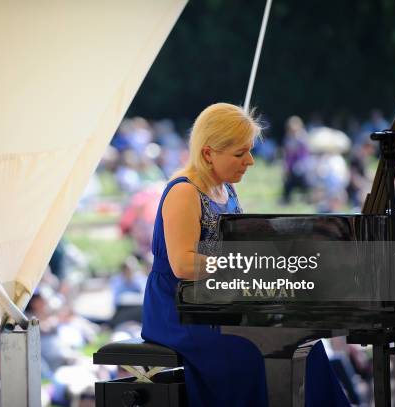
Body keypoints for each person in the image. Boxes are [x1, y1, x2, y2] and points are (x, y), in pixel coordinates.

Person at [141, 103, 349, 406]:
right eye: (240, 154)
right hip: (178, 311)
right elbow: (184, 264)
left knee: (304, 341)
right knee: (255, 349)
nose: (250, 161)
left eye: (249, 151)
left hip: (217, 302)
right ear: (208, 153)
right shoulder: (183, 192)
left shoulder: (228, 190)